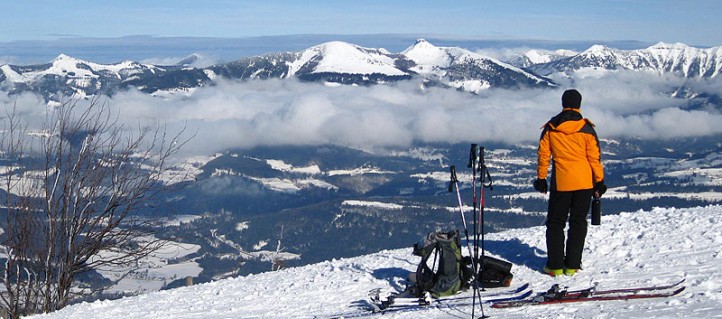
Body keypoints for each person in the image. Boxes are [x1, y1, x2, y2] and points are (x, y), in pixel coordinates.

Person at [534, 89, 606, 277]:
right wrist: (599, 181)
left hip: (562, 182)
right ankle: (573, 265)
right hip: (584, 182)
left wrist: (541, 178)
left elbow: (543, 155)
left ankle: (555, 266)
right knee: (578, 222)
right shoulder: (587, 129)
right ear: (579, 104)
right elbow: (594, 158)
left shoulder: (551, 128)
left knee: (556, 223)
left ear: (563, 103)